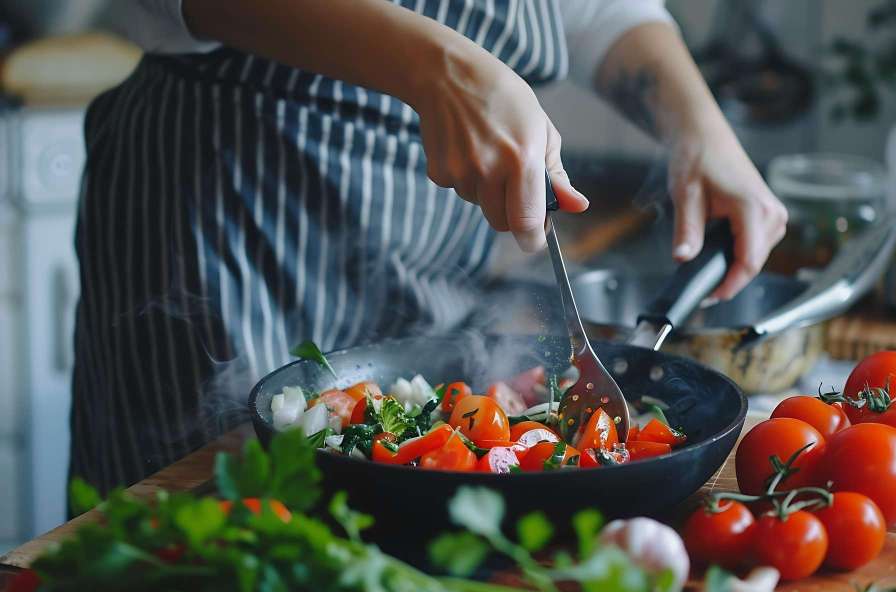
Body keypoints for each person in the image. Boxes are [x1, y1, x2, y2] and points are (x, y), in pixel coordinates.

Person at [71, 0, 787, 493]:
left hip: (434, 234)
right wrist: (437, 66)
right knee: (202, 543)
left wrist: (699, 127)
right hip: (232, 201)